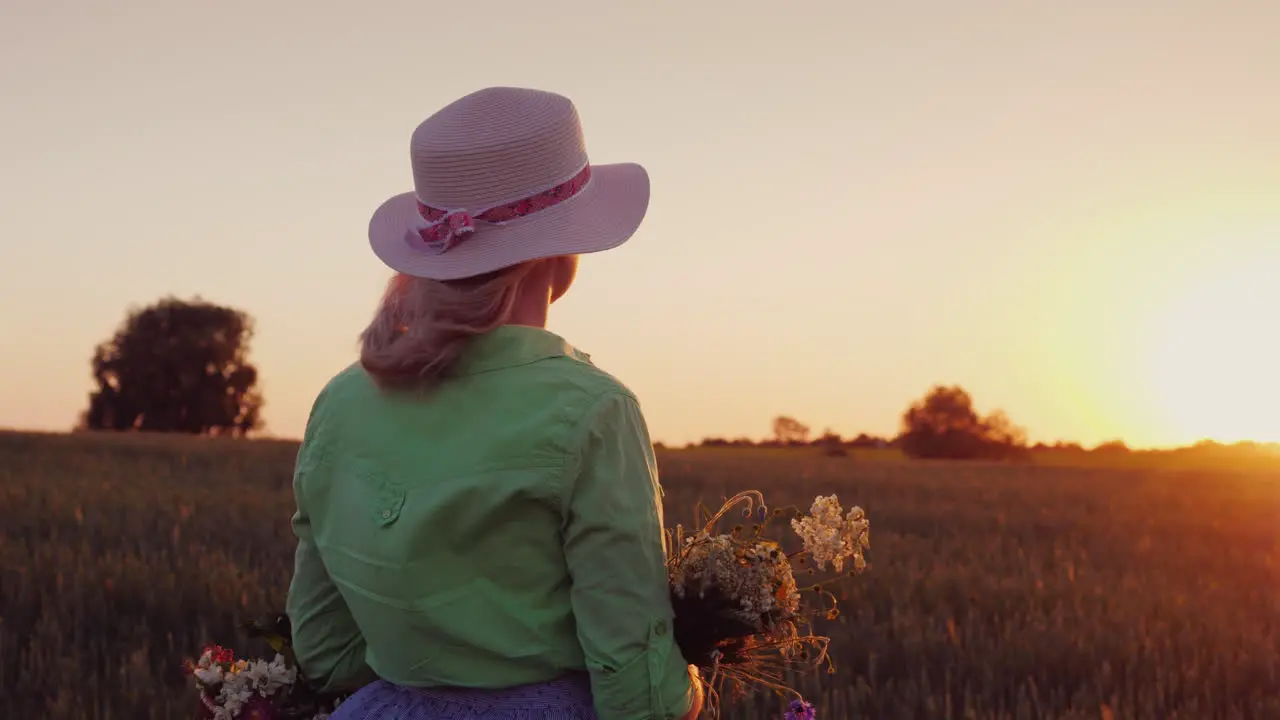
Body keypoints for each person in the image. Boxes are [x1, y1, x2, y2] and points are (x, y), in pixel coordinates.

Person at [285, 87, 703, 720]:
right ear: (561, 253)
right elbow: (637, 692)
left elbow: (324, 649)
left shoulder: (342, 399)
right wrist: (693, 687)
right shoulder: (593, 409)